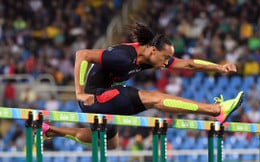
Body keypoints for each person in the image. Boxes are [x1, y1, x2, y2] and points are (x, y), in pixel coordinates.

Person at [38, 23, 244, 149]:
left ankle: (52, 131)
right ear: (153, 51)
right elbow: (82, 54)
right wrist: (80, 93)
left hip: (108, 97)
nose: (166, 63)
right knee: (154, 98)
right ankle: (216, 110)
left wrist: (220, 67)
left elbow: (188, 63)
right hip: (95, 97)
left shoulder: (150, 56)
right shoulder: (123, 57)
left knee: (111, 143)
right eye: (165, 58)